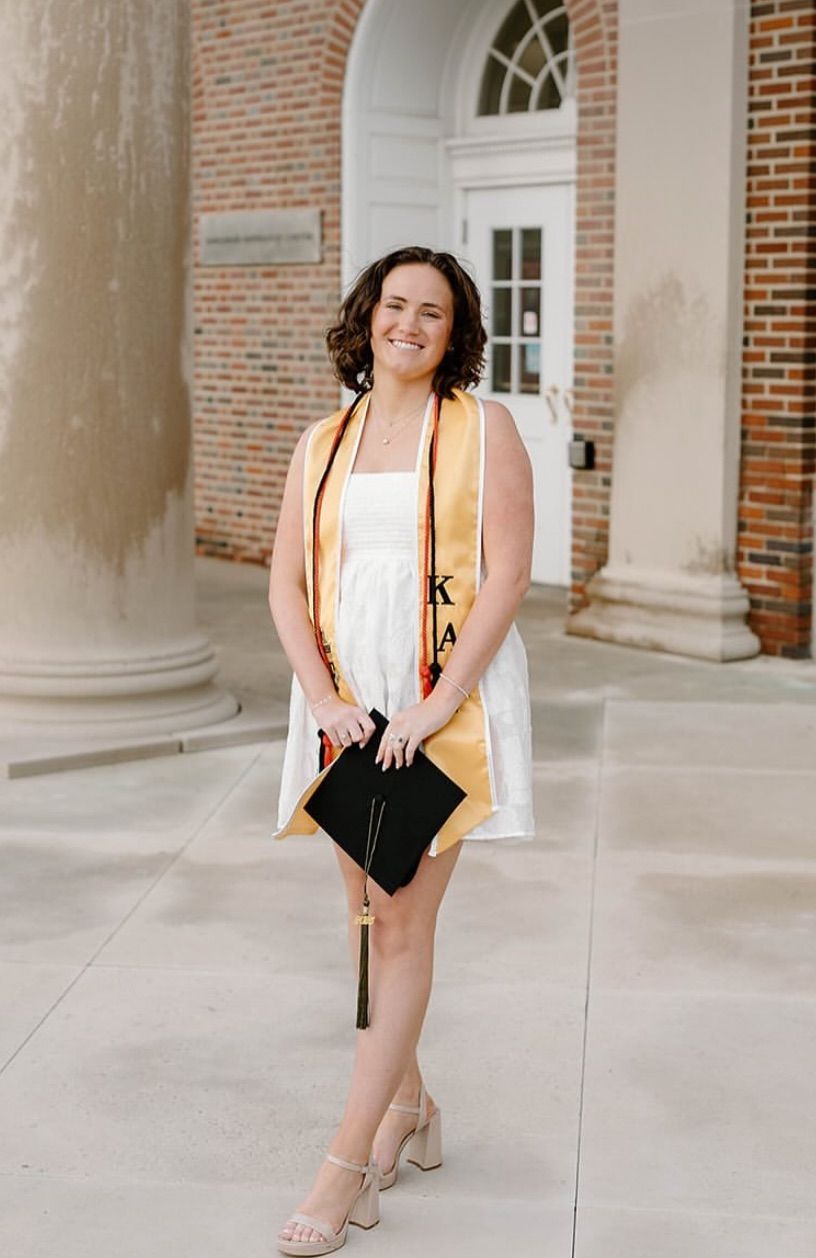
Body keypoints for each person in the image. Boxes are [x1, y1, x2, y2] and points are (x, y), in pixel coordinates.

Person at [268, 245, 534, 1255]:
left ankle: (343, 1166)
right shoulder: (321, 440)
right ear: (367, 316)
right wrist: (327, 696)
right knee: (361, 915)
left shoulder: (482, 428)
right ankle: (412, 1105)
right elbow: (285, 586)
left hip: (437, 700)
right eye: (395, 305)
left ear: (454, 332)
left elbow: (506, 577)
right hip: (345, 701)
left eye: (433, 311)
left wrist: (435, 705)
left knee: (401, 926)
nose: (410, 324)